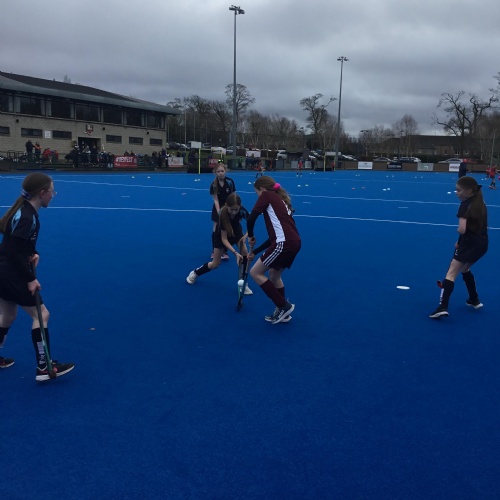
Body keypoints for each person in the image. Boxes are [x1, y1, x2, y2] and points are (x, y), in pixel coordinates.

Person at [0, 173, 75, 380]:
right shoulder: (27, 217)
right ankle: (44, 366)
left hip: (4, 271)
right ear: (42, 193)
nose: (53, 195)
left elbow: (15, 245)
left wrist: (33, 253)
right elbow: (13, 251)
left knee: (7, 315)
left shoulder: (24, 211)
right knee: (41, 315)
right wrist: (30, 278)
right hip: (12, 274)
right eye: (52, 191)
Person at [429, 176, 488, 319]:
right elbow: (475, 227)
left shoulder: (464, 205)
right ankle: (474, 299)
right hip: (482, 244)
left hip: (469, 244)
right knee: (465, 269)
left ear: (468, 191)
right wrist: (460, 241)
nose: (456, 193)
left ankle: (442, 306)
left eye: (459, 190)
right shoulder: (481, 203)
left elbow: (462, 229)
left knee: (451, 273)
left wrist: (459, 236)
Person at [246, 176, 301, 324]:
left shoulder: (266, 195)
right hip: (293, 242)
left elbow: (250, 219)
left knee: (255, 273)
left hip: (284, 243)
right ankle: (283, 312)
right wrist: (255, 251)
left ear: (262, 189)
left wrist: (250, 236)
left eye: (256, 193)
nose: (258, 196)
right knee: (274, 275)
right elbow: (273, 238)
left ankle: (283, 306)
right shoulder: (280, 200)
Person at [186, 193, 252, 295]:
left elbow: (251, 223)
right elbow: (224, 239)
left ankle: (243, 284)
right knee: (215, 264)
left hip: (237, 233)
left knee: (245, 257)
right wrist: (235, 253)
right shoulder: (222, 214)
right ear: (226, 205)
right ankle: (195, 272)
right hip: (221, 236)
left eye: (236, 209)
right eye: (231, 209)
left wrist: (246, 236)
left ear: (240, 206)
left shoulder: (242, 210)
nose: (234, 212)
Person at [210, 163, 236, 260]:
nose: (220, 173)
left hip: (228, 208)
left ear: (225, 171)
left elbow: (233, 196)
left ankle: (225, 251)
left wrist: (232, 208)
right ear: (215, 172)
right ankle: (215, 251)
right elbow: (216, 200)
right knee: (216, 229)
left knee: (227, 229)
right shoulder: (214, 184)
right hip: (218, 208)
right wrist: (219, 212)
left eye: (222, 171)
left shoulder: (230, 182)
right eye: (218, 171)